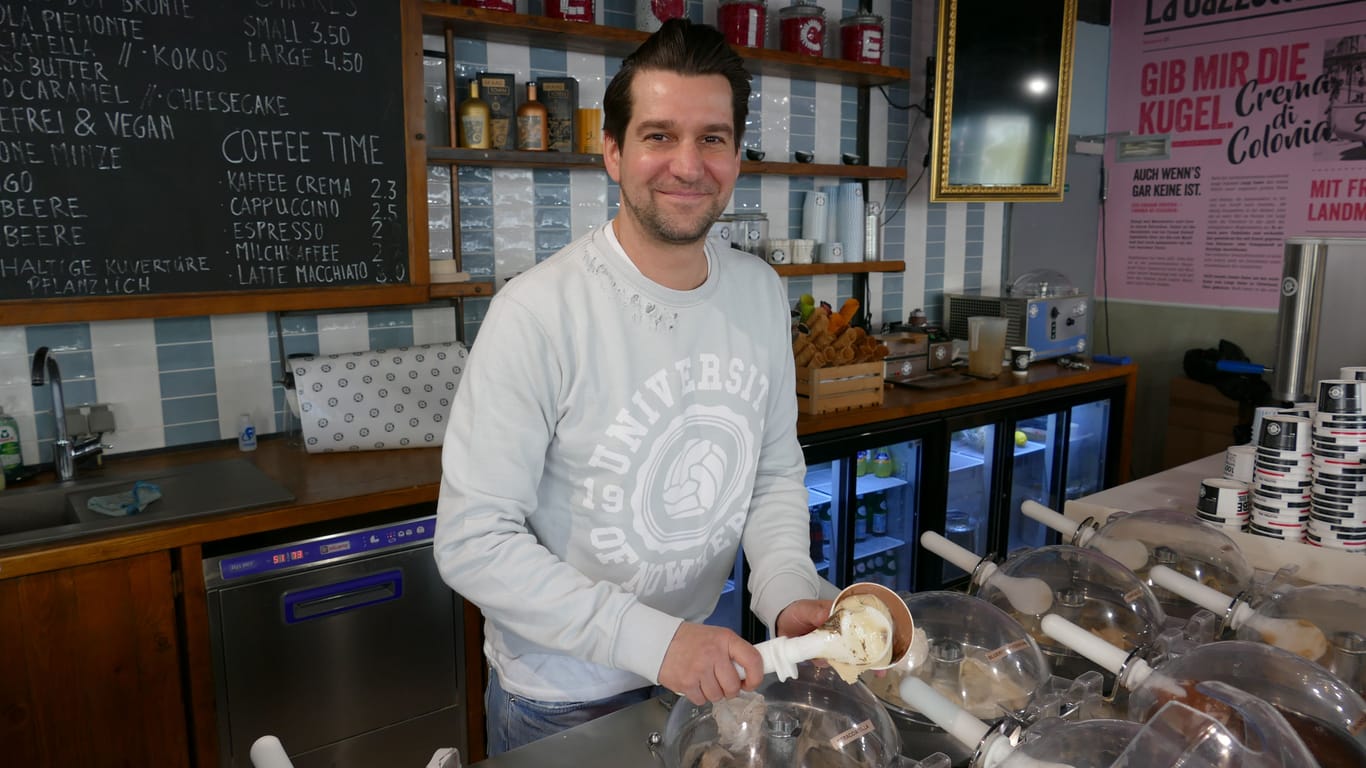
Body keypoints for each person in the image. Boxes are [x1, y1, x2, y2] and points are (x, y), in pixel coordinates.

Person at [433, 18, 831, 756]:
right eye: (658, 136)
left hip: (700, 670)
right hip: (562, 695)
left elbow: (772, 473)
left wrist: (786, 591)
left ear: (737, 156)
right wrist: (658, 642)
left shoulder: (759, 292)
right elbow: (473, 541)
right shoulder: (538, 311)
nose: (687, 164)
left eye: (712, 138)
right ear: (612, 154)